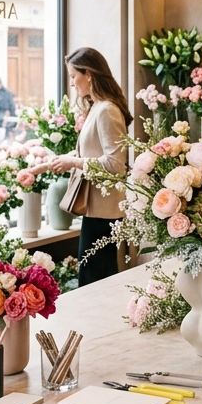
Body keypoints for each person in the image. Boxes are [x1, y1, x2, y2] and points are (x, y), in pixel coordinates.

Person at [34, 48, 130, 287]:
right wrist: (40, 168)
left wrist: (74, 162)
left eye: (73, 75)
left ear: (88, 74)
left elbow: (115, 165)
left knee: (96, 281)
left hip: (105, 212)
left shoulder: (107, 110)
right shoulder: (97, 107)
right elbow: (85, 154)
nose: (71, 83)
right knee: (92, 278)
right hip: (97, 210)